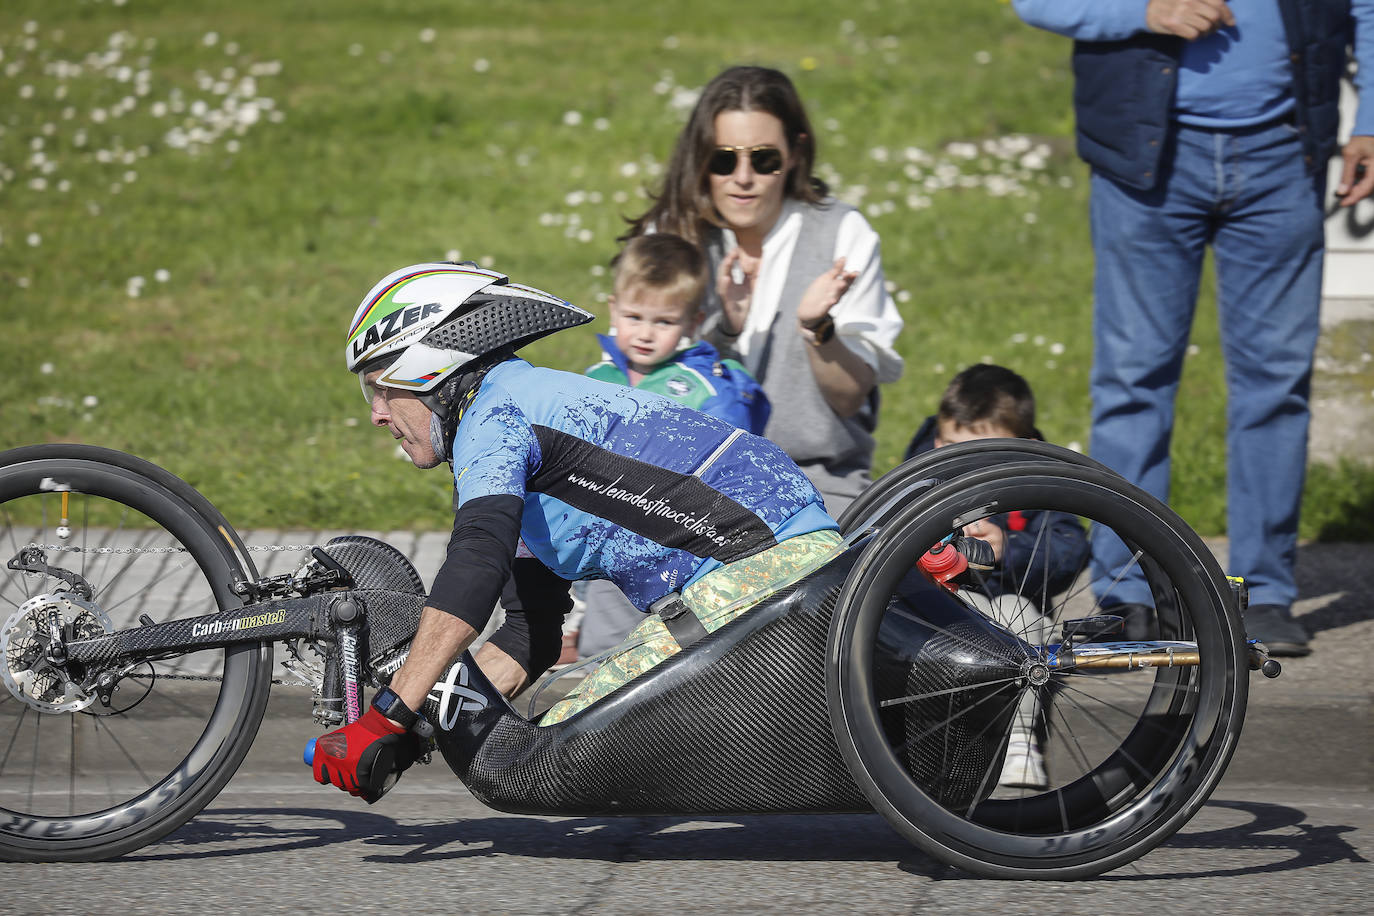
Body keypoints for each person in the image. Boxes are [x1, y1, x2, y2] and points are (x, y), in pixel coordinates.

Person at [312, 262, 844, 799]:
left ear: (430, 370)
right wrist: (417, 731)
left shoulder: (495, 420)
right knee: (518, 761)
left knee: (531, 767)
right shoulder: (509, 413)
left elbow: (473, 567)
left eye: (380, 388)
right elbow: (529, 636)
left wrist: (384, 717)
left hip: (762, 574)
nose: (378, 414)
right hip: (771, 563)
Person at [1011, 0, 1374, 657]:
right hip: (1143, 158)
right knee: (1133, 381)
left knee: (1275, 385)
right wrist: (1145, 10)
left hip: (1286, 155)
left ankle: (1262, 593)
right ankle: (1130, 595)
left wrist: (1371, 119)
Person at [623, 65, 905, 517]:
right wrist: (726, 331)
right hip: (680, 477)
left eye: (763, 158)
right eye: (723, 158)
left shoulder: (840, 234)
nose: (743, 176)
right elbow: (639, 377)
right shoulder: (671, 236)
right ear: (700, 158)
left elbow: (851, 398)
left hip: (810, 479)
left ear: (795, 153)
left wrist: (817, 329)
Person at [575, 233, 772, 662]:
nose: (645, 333)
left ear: (693, 320)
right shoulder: (594, 378)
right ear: (613, 309)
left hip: (683, 545)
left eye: (664, 322)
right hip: (611, 545)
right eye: (634, 316)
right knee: (602, 657)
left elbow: (729, 468)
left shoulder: (706, 386)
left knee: (680, 656)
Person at [907, 363, 1089, 790]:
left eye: (984, 453)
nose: (967, 464)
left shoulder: (1044, 480)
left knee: (1015, 611)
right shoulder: (922, 477)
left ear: (1023, 447)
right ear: (938, 439)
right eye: (952, 447)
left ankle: (1020, 740)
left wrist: (1007, 547)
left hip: (1012, 609)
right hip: (947, 604)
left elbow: (1068, 549)